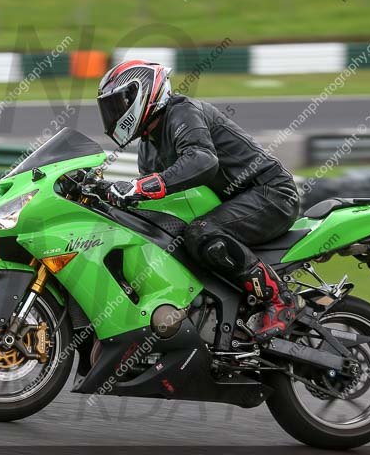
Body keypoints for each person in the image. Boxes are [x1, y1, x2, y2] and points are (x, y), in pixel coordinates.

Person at [95, 60, 301, 344]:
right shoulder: (148, 147)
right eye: (109, 108)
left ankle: (280, 299)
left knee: (201, 232)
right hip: (231, 203)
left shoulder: (182, 112)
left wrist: (141, 186)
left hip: (270, 193)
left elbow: (202, 160)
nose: (113, 114)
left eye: (118, 105)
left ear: (142, 93)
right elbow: (155, 204)